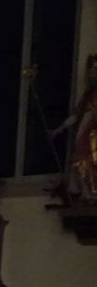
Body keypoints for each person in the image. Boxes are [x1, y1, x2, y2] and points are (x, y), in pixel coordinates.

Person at [51, 55, 97, 199]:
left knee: (88, 160)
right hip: (85, 131)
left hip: (93, 133)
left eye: (93, 72)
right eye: (90, 73)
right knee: (79, 160)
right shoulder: (87, 96)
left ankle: (90, 192)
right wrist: (59, 129)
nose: (91, 76)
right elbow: (77, 115)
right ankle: (84, 192)